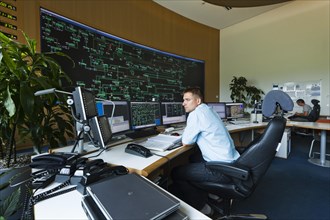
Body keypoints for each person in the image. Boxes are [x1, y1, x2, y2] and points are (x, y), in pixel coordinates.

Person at [170, 87, 240, 216]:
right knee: (194, 157)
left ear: (198, 101)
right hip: (233, 164)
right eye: (183, 100)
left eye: (187, 99)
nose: (183, 103)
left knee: (176, 172)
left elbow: (186, 141)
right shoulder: (208, 110)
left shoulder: (196, 114)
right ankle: (215, 194)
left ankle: (202, 207)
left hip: (222, 170)